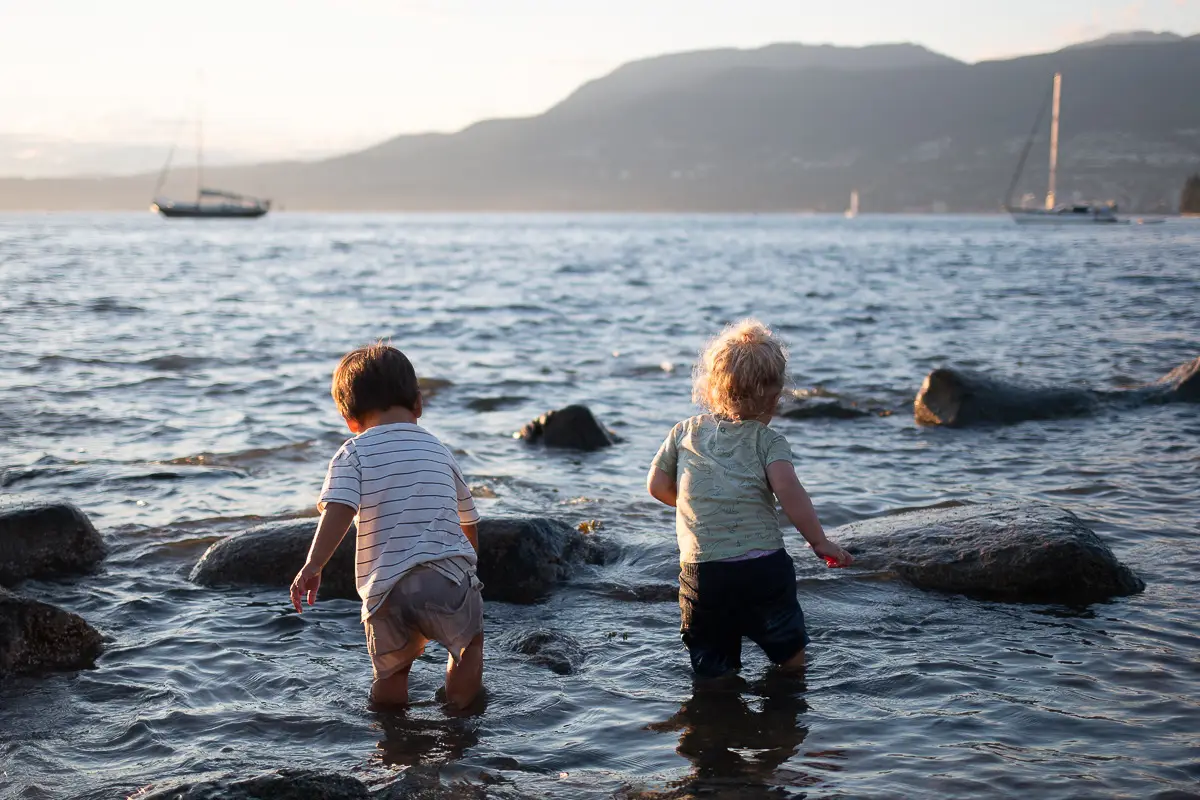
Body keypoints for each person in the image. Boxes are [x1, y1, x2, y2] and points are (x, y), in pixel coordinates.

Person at [646, 319, 852, 679]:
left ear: (711, 388)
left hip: (704, 574)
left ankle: (714, 719)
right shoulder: (767, 440)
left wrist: (699, 504)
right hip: (763, 571)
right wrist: (818, 541)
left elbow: (657, 485)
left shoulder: (684, 432)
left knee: (713, 665)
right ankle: (785, 714)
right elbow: (789, 490)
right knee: (789, 653)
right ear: (775, 397)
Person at [290, 344, 484, 710]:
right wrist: (470, 564)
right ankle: (460, 715)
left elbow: (339, 509)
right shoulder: (439, 450)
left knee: (391, 672)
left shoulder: (353, 452)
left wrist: (314, 565)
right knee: (467, 647)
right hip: (445, 576)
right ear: (418, 404)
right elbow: (468, 518)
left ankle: (391, 734)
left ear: (350, 420)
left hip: (386, 589)